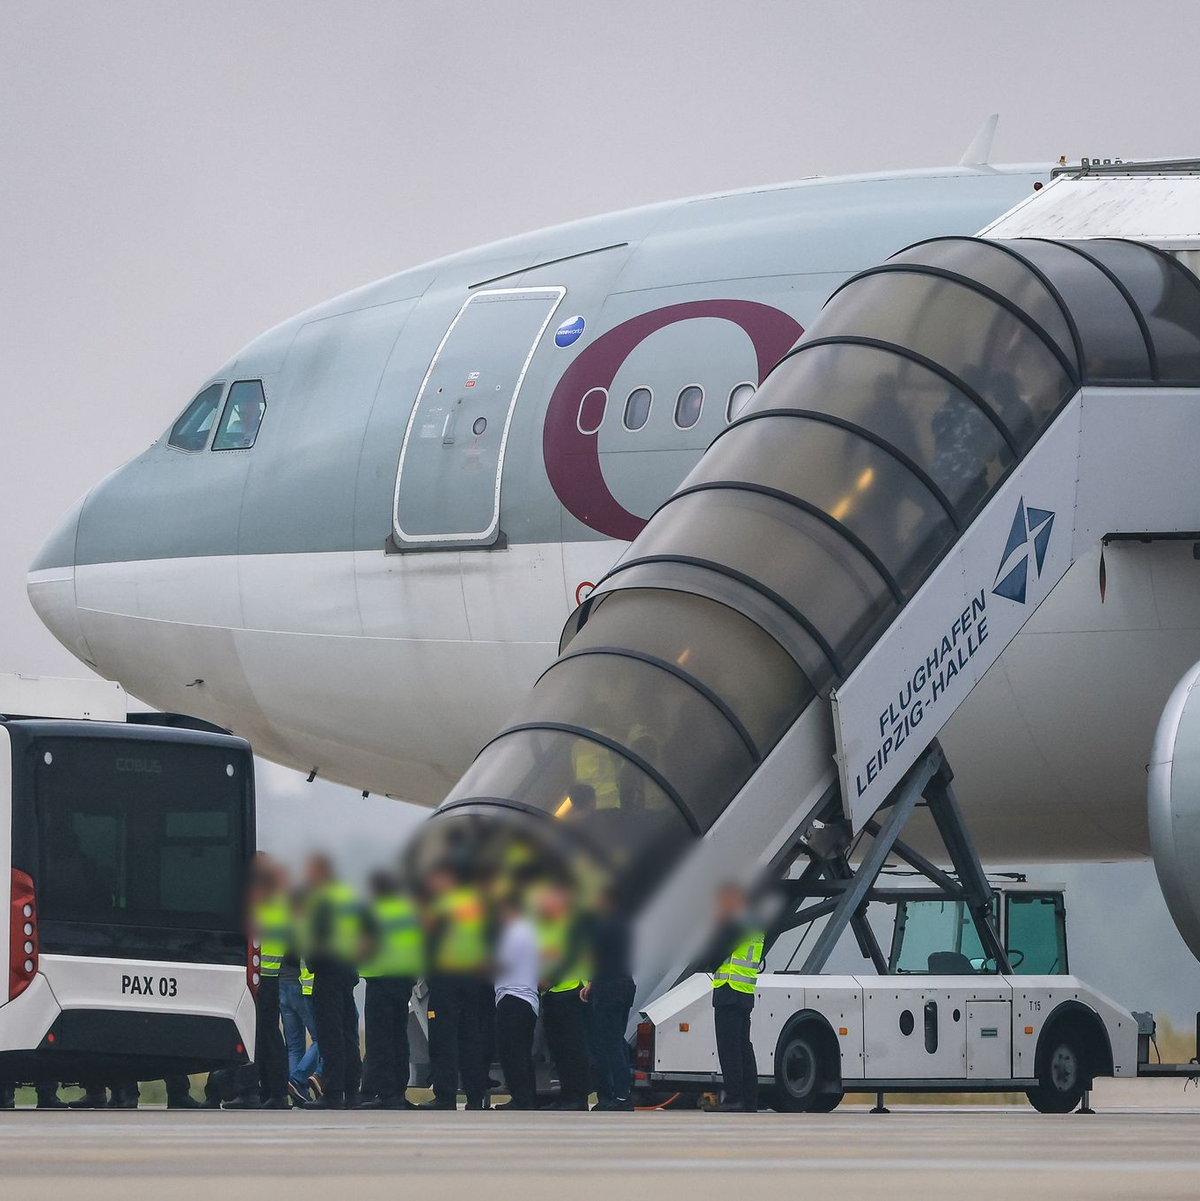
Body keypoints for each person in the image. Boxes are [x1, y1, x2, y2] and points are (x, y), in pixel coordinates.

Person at [420, 863, 490, 1111]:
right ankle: (475, 1096)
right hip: (471, 979)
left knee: (442, 1039)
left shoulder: (442, 905)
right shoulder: (474, 904)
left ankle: (445, 1095)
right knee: (470, 1039)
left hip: (447, 977)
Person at [226, 855, 291, 1109]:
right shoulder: (281, 902)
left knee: (251, 1035)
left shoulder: (258, 905)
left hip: (256, 978)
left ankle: (248, 1091)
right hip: (271, 978)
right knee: (271, 1037)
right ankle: (275, 1091)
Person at [299, 855, 363, 1110]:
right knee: (348, 1034)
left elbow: (317, 938)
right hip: (346, 969)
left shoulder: (322, 899)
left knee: (330, 1034)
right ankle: (351, 1090)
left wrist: (311, 962)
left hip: (327, 971)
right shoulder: (346, 896)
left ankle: (333, 1092)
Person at [359, 870, 423, 1109]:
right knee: (399, 1037)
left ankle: (385, 1094)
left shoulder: (374, 912)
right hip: (404, 980)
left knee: (380, 1040)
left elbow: (364, 946)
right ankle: (398, 1091)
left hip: (380, 978)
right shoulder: (408, 912)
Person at [706, 882, 765, 1113]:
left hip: (729, 990)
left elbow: (713, 956)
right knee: (744, 1047)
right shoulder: (756, 925)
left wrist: (717, 926)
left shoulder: (734, 924)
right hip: (745, 992)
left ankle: (734, 1098)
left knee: (729, 1048)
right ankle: (750, 1100)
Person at [535, 883, 590, 1110]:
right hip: (552, 994)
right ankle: (566, 1096)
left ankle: (578, 1098)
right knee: (559, 1050)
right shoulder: (548, 927)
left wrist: (550, 979)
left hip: (570, 992)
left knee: (573, 1049)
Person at [583, 886, 635, 1112]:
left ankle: (618, 1096)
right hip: (623, 986)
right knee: (616, 1042)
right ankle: (619, 1094)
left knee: (607, 1045)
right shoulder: (624, 924)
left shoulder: (605, 925)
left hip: (609, 990)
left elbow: (595, 955)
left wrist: (592, 982)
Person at [492, 890, 539, 1111]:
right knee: (522, 1051)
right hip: (526, 999)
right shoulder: (530, 931)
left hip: (513, 997)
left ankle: (520, 1098)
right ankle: (526, 1097)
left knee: (511, 1051)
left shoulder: (515, 932)